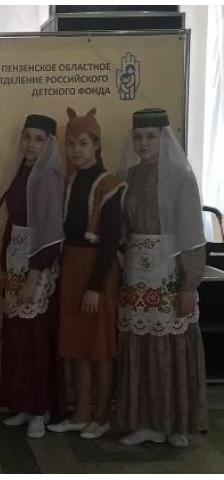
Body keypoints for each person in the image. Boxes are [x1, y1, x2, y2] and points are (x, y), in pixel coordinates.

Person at [116, 108, 207, 448]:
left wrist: (189, 285)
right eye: (138, 137)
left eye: (151, 136)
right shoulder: (129, 177)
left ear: (164, 138)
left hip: (171, 272)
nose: (144, 143)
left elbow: (191, 234)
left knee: (171, 346)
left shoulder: (181, 177)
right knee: (142, 347)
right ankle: (145, 422)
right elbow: (123, 227)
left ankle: (175, 424)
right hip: (137, 274)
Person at [47, 108, 125, 440]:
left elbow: (110, 242)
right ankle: (80, 412)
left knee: (100, 345)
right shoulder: (70, 182)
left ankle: (102, 414)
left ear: (96, 145)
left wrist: (95, 287)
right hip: (72, 268)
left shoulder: (109, 184)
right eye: (70, 144)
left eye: (82, 143)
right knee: (77, 343)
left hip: (98, 272)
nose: (76, 150)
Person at [0, 114, 65, 438]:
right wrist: (4, 269)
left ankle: (41, 409)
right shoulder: (22, 172)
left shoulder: (48, 177)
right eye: (26, 137)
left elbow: (51, 234)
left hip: (37, 268)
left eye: (38, 139)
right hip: (16, 262)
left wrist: (32, 277)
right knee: (19, 339)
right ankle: (23, 404)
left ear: (49, 144)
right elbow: (12, 224)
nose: (30, 144)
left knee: (37, 339)